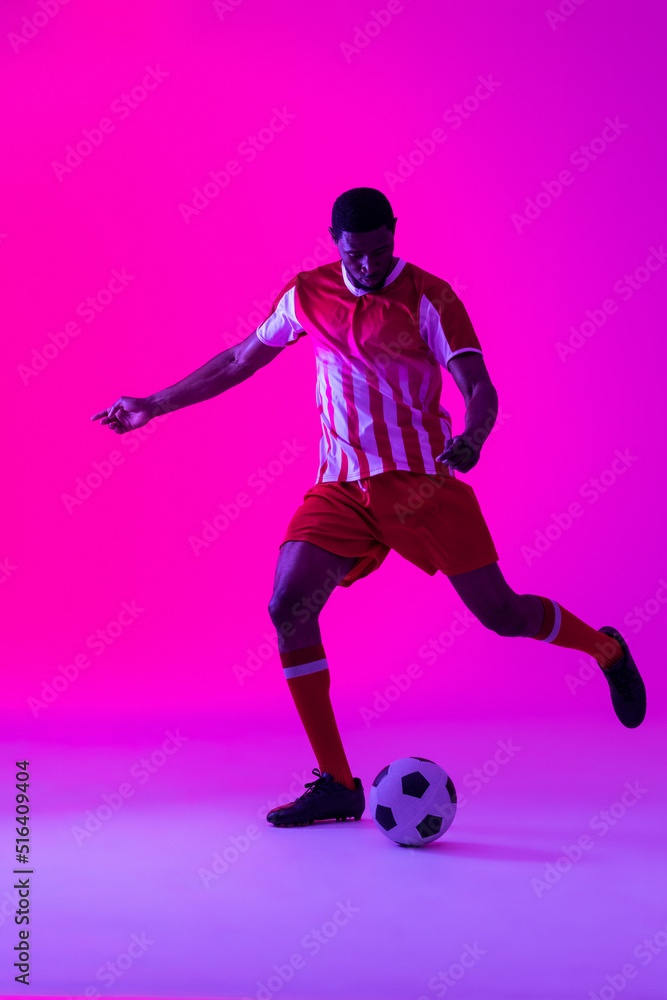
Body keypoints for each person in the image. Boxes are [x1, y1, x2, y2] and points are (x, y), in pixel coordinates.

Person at [92, 186, 646, 829]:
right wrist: (153, 404)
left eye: (381, 251)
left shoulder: (430, 298)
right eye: (356, 254)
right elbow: (242, 359)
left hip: (420, 485)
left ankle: (605, 650)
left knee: (503, 614)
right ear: (335, 240)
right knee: (287, 606)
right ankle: (337, 783)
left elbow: (480, 387)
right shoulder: (306, 294)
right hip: (341, 488)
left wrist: (473, 435)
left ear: (394, 235)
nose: (369, 265)